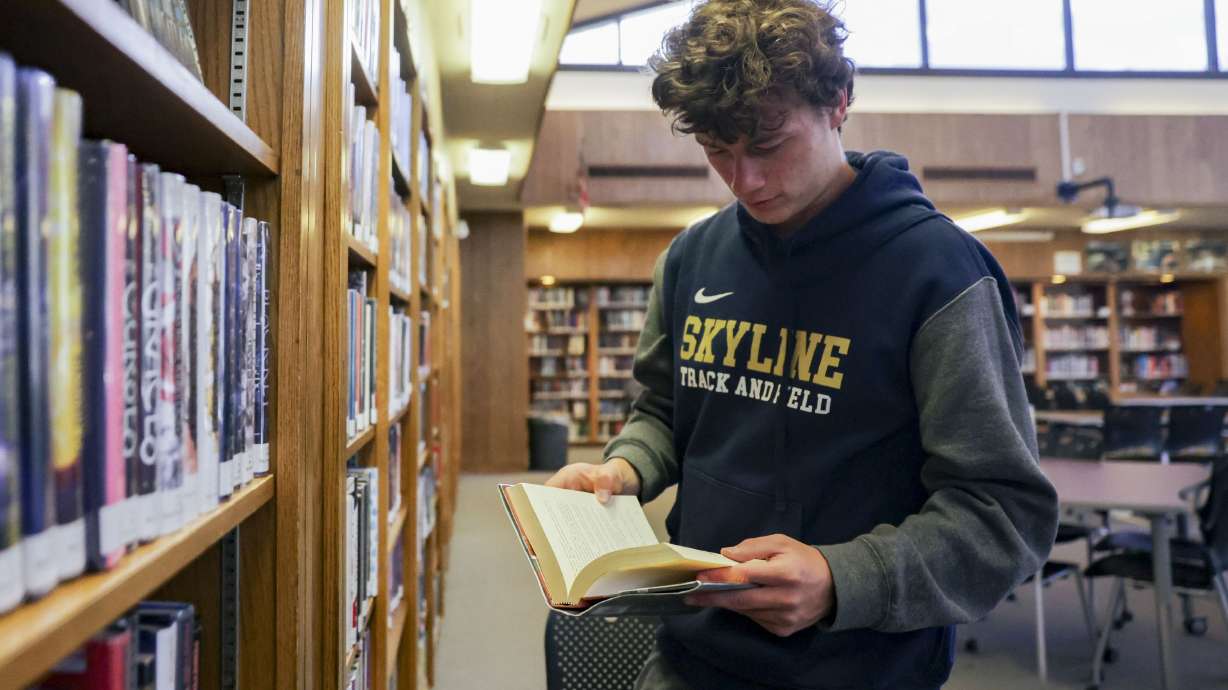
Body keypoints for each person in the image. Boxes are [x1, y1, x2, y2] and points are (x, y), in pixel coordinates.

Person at [545, 1, 1059, 688]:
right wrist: (623, 471)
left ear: (838, 103)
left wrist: (839, 579)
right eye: (717, 152)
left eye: (767, 145)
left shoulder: (940, 275)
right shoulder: (692, 257)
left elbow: (1005, 514)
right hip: (690, 656)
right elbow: (667, 410)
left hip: (862, 668)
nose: (744, 180)